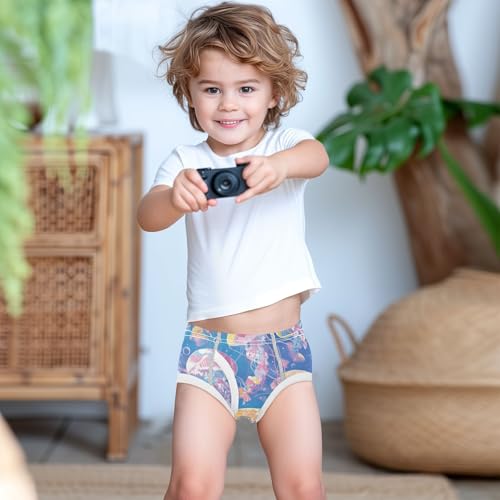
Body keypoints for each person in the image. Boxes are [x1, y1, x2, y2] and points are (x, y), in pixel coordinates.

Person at [137, 2, 329, 499]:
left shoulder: (285, 146)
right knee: (191, 486)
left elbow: (317, 157)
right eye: (211, 89)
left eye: (246, 89)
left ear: (274, 93)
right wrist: (173, 198)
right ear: (189, 93)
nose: (228, 105)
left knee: (303, 487)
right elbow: (148, 216)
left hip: (284, 352)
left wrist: (279, 168)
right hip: (210, 353)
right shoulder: (186, 162)